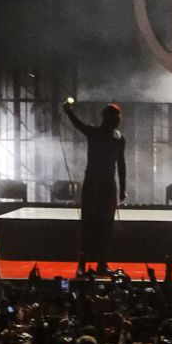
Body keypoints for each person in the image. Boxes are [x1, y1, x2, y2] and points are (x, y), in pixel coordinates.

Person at [62, 98, 127, 276]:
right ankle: (85, 263)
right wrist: (68, 112)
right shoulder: (97, 133)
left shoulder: (117, 138)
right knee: (91, 223)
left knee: (104, 224)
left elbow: (121, 163)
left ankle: (99, 263)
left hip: (103, 184)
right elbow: (78, 124)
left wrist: (122, 188)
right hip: (96, 184)